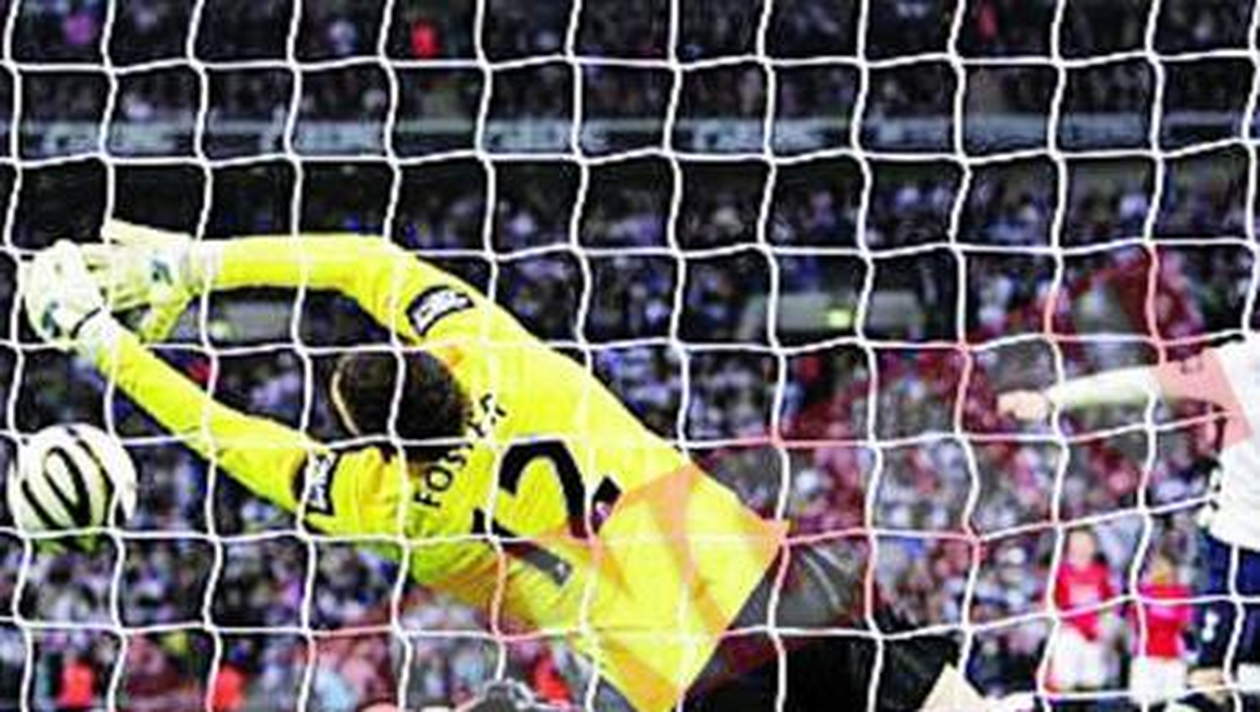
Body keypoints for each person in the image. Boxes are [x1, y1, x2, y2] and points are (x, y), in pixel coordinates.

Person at [22, 223, 996, 711]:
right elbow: (367, 263)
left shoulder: (391, 506)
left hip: (689, 683)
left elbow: (228, 435)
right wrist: (194, 265)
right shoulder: (492, 353)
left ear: (369, 443)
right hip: (786, 589)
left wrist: (104, 344)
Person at [1000, 339, 1260, 711]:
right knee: (1211, 679)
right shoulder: (1242, 362)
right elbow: (1143, 382)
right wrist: (1054, 398)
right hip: (1237, 548)